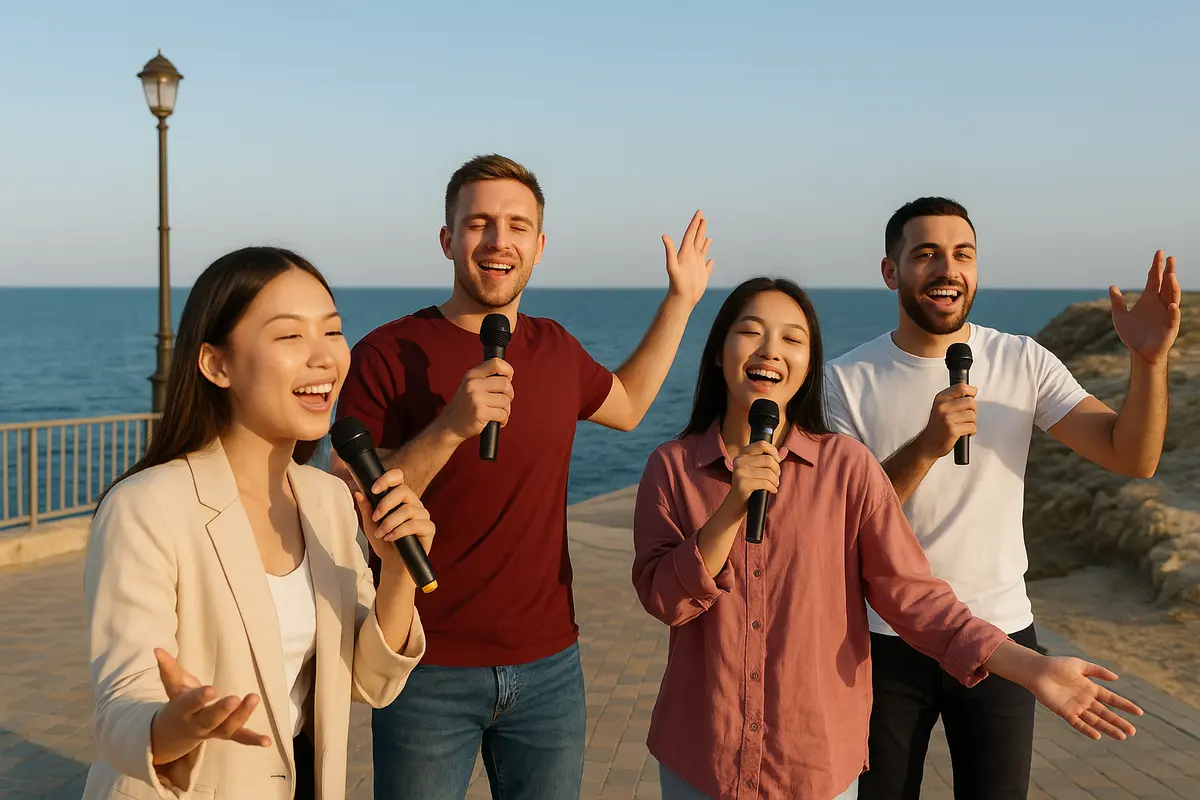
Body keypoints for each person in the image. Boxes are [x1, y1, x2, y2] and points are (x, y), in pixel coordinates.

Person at [632, 276, 1144, 800]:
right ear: (719, 352)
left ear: (809, 365)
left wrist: (1032, 668)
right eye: (751, 332)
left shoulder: (846, 469)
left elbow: (914, 595)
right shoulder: (671, 468)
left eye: (792, 338)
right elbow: (664, 600)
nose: (770, 351)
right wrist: (729, 512)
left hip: (813, 762)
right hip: (701, 756)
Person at [329, 153, 715, 800]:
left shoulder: (556, 348)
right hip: (425, 663)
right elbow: (345, 505)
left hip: (549, 668)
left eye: (516, 225)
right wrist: (450, 427)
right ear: (448, 239)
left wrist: (681, 301)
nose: (497, 240)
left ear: (540, 244)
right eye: (477, 223)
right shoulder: (386, 353)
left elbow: (627, 404)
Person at [822, 197, 1181, 800]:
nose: (947, 269)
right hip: (884, 640)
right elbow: (844, 520)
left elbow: (1131, 455)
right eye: (926, 254)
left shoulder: (1023, 360)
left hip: (1005, 638)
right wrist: (927, 446)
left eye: (963, 254)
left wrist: (1148, 361)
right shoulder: (843, 380)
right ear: (891, 272)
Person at [82, 247, 431, 800]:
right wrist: (178, 726)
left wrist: (397, 574)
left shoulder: (328, 500)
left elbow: (367, 680)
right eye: (289, 337)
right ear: (216, 364)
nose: (324, 359)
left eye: (333, 332)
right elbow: (121, 701)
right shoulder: (147, 506)